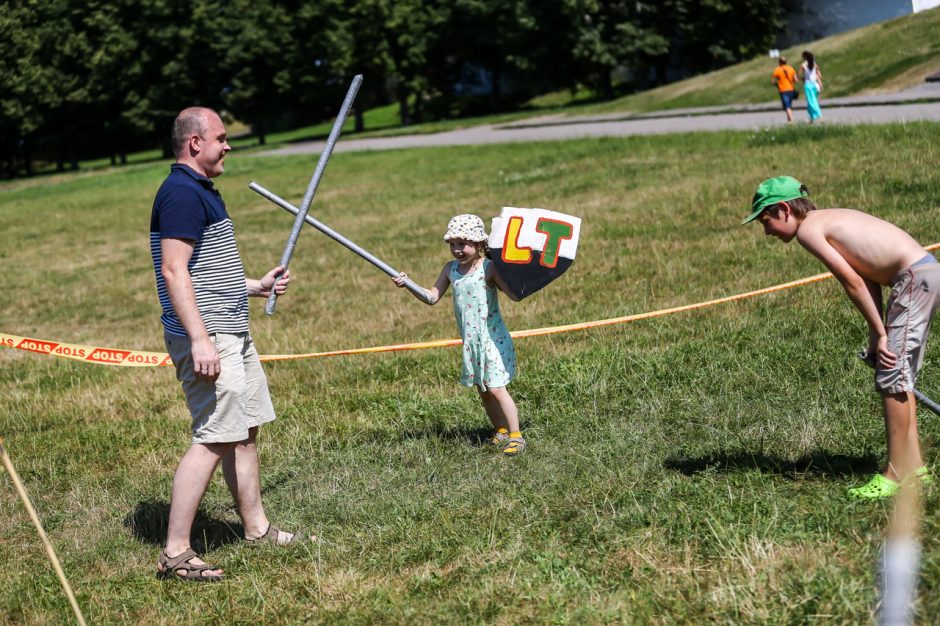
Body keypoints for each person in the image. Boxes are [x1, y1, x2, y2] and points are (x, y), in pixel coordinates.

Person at [150, 107, 302, 582]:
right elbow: (175, 271)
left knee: (245, 427)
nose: (227, 145)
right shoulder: (180, 193)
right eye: (221, 138)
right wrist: (200, 340)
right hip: (210, 335)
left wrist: (254, 286)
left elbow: (205, 269)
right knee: (214, 436)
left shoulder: (199, 189)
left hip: (231, 328)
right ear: (195, 142)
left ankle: (255, 528)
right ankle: (175, 552)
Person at [743, 176, 939, 500]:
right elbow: (867, 276)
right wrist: (875, 331)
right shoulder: (826, 219)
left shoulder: (809, 231)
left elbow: (852, 282)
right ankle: (916, 468)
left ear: (783, 209)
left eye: (766, 221)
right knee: (899, 376)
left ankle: (896, 474)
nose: (766, 231)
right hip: (923, 274)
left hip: (913, 278)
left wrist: (881, 334)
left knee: (892, 377)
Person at [392, 214, 526, 455]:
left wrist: (519, 278)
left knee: (496, 388)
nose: (457, 250)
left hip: (491, 339)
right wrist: (408, 283)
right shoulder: (450, 269)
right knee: (483, 390)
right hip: (471, 342)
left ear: (478, 244)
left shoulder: (489, 267)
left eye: (462, 244)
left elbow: (514, 295)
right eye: (452, 244)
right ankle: (501, 431)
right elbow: (431, 297)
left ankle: (516, 435)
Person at [771, 56, 798, 123]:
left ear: (779, 62)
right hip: (791, 89)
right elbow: (796, 80)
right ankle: (789, 120)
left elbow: (773, 81)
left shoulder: (777, 69)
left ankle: (791, 121)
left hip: (783, 90)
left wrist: (777, 84)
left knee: (787, 106)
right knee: (789, 106)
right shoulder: (791, 68)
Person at [799, 50, 823, 122]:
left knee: (811, 101)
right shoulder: (814, 64)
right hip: (815, 85)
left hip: (808, 85)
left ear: (805, 57)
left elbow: (799, 75)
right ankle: (812, 117)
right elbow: (819, 75)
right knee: (813, 100)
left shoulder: (803, 65)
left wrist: (802, 79)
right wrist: (820, 83)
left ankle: (818, 114)